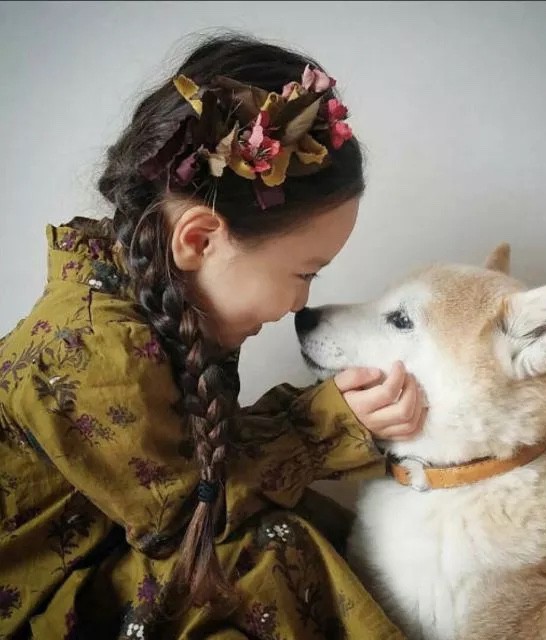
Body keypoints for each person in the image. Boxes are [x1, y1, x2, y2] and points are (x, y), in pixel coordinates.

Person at [0, 34, 424, 639]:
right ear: (199, 240)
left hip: (110, 557)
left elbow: (200, 461)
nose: (302, 303)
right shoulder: (91, 352)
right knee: (269, 550)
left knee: (303, 519)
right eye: (304, 274)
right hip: (39, 602)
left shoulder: (161, 307)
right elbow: (188, 515)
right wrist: (322, 427)